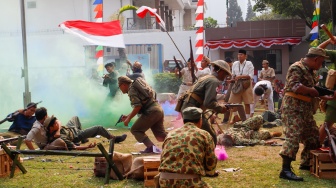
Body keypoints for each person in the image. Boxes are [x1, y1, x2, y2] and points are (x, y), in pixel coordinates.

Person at [279, 47, 334, 181]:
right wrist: (311, 91)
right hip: (293, 108)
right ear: (315, 59)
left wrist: (326, 95)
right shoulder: (296, 68)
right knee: (293, 136)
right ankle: (285, 170)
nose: (321, 66)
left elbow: (314, 90)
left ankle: (306, 163)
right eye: (320, 62)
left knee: (313, 137)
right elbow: (294, 86)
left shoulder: (310, 71)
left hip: (306, 109)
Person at [159, 107, 218, 188]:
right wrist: (210, 172)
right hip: (190, 182)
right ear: (200, 120)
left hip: (164, 182)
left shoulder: (171, 134)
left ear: (183, 120)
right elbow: (210, 163)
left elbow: (163, 158)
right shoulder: (204, 134)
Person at [179, 60, 231, 145]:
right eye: (225, 74)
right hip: (192, 109)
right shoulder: (214, 81)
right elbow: (208, 103)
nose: (225, 77)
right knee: (211, 136)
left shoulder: (207, 78)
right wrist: (221, 108)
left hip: (190, 107)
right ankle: (208, 157)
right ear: (220, 70)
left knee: (195, 134)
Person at [118, 76, 167, 153]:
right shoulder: (136, 87)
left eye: (119, 86)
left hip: (151, 112)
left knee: (135, 129)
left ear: (123, 84)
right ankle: (178, 141)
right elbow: (140, 105)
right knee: (160, 135)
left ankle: (151, 147)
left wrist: (128, 119)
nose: (120, 89)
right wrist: (128, 116)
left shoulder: (131, 90)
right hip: (157, 109)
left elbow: (138, 106)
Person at [45, 115, 127, 150]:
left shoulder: (56, 129)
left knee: (75, 118)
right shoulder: (60, 138)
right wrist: (87, 147)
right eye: (55, 124)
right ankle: (113, 138)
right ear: (51, 128)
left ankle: (84, 139)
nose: (57, 123)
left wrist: (58, 129)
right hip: (77, 135)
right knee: (99, 128)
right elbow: (74, 147)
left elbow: (58, 121)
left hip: (70, 128)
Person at [217, 115, 282, 147]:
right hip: (250, 134)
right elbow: (252, 141)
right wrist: (265, 143)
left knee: (259, 117)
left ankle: (257, 129)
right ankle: (272, 134)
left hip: (243, 126)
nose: (230, 134)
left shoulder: (220, 137)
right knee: (266, 133)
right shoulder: (239, 140)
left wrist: (218, 132)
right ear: (233, 140)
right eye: (231, 136)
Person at [317, 38, 336, 145]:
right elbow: (316, 50)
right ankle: (316, 147)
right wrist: (329, 41)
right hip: (335, 98)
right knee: (327, 124)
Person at [228, 49, 254, 121]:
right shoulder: (235, 63)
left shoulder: (249, 63)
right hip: (237, 84)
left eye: (241, 55)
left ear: (245, 56)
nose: (239, 56)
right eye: (238, 54)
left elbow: (250, 76)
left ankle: (247, 120)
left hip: (246, 84)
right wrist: (232, 79)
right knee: (233, 102)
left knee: (247, 103)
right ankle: (236, 117)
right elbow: (233, 74)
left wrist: (240, 76)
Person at [222, 57, 234, 123]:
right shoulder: (227, 69)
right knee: (227, 101)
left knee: (235, 103)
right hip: (230, 86)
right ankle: (226, 119)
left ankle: (236, 118)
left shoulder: (234, 67)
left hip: (236, 86)